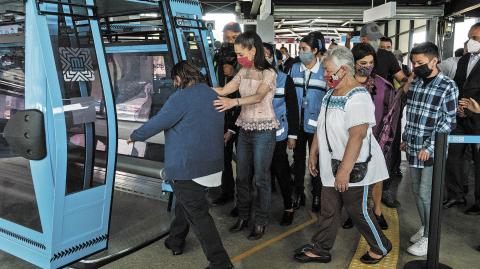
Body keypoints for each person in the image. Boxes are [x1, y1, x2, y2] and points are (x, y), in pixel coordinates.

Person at [128, 61, 233, 269]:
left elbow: (160, 121)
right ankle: (176, 240)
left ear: (179, 78)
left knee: (200, 216)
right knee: (185, 202)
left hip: (189, 167)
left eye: (175, 80)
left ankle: (220, 263)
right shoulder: (212, 94)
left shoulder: (181, 97)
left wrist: (135, 135)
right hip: (212, 166)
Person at [293, 46, 392, 265]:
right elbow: (322, 124)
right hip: (331, 163)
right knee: (329, 209)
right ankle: (321, 247)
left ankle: (381, 246)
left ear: (344, 69)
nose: (325, 75)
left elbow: (357, 136)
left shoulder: (358, 96)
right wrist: (313, 153)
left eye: (329, 71)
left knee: (357, 210)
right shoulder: (331, 93)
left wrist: (344, 171)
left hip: (353, 165)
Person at [214, 32, 278, 240]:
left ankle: (260, 221)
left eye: (241, 53)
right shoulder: (243, 70)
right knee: (241, 176)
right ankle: (243, 216)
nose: (238, 57)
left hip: (264, 131)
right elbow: (224, 90)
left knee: (261, 178)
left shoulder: (268, 73)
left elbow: (259, 96)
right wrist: (198, 89)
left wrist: (234, 103)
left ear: (253, 50)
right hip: (245, 130)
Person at [402, 42, 459, 256]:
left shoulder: (447, 86)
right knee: (417, 191)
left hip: (430, 150)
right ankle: (426, 227)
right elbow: (413, 113)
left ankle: (429, 237)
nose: (416, 66)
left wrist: (430, 146)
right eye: (414, 63)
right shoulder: (416, 81)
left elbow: (448, 121)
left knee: (426, 194)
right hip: (414, 147)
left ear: (435, 60)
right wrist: (406, 138)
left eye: (420, 63)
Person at [342, 43, 402, 231]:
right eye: (362, 62)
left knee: (376, 178)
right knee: (354, 178)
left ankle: (377, 211)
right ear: (353, 62)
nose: (367, 66)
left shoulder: (384, 86)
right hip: (349, 139)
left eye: (370, 62)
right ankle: (355, 213)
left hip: (376, 139)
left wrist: (385, 141)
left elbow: (391, 116)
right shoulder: (344, 84)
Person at [361, 23, 409, 207]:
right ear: (363, 39)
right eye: (372, 39)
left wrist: (397, 95)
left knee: (386, 152)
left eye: (377, 39)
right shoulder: (353, 56)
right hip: (360, 114)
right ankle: (358, 201)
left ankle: (385, 191)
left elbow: (402, 79)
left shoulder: (387, 56)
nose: (375, 42)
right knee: (359, 154)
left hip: (383, 114)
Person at [444, 22, 480, 215]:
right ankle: (455, 194)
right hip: (460, 117)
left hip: (478, 120)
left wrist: (473, 108)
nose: (470, 42)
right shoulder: (464, 60)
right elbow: (457, 84)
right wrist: (458, 106)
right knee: (453, 156)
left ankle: (479, 202)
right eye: (469, 37)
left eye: (475, 39)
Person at [289, 33, 328, 212]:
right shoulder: (294, 69)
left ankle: (317, 194)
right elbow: (289, 98)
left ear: (315, 50)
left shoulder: (325, 71)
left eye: (304, 49)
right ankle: (298, 192)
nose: (301, 53)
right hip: (297, 123)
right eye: (300, 49)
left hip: (317, 124)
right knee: (297, 159)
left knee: (317, 160)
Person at [264, 44, 299, 225]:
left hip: (278, 133)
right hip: (257, 133)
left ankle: (288, 206)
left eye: (266, 55)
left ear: (274, 59)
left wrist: (293, 134)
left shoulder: (285, 80)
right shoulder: (249, 78)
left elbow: (293, 108)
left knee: (281, 170)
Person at [212, 22, 242, 208]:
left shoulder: (247, 58)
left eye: (233, 38)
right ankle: (227, 191)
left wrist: (234, 73)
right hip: (223, 111)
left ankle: (244, 199)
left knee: (245, 160)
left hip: (242, 112)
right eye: (226, 38)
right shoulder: (218, 57)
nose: (229, 42)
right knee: (223, 154)